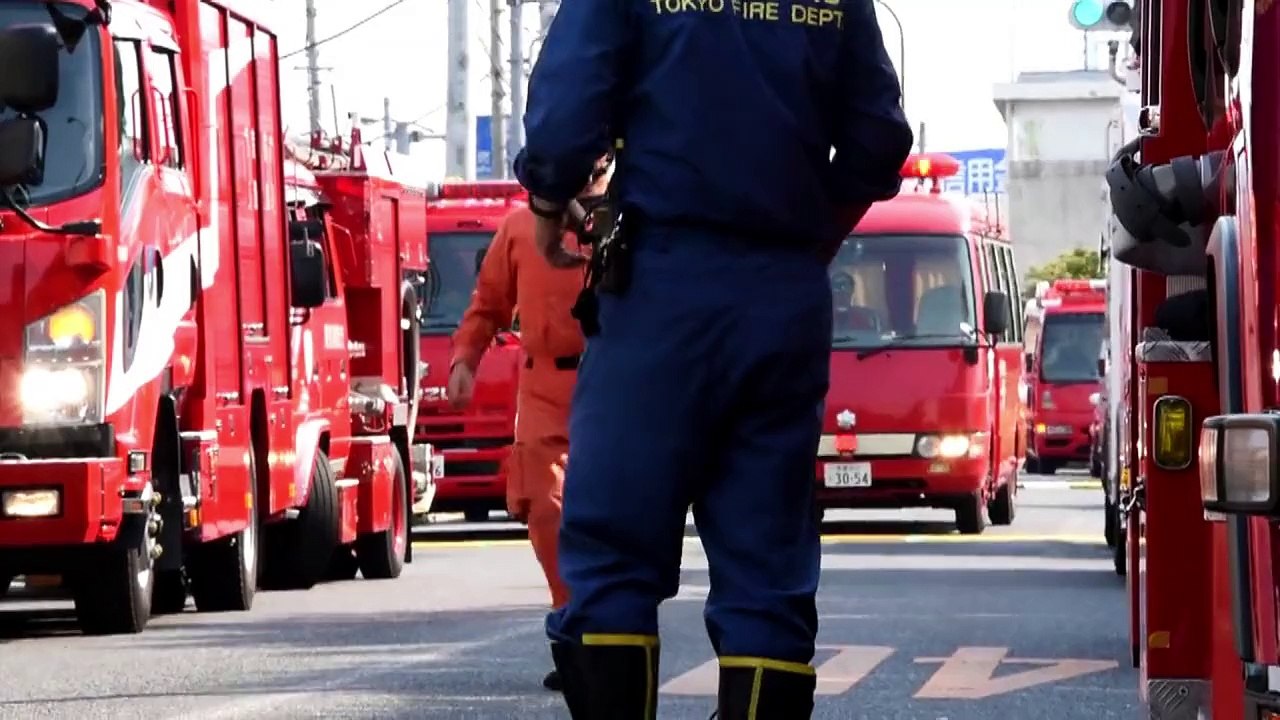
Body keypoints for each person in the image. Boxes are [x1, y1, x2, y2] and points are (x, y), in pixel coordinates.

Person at [512, 0, 914, 714]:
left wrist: (550, 200)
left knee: (612, 557)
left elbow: (568, 110)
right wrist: (805, 235)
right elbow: (879, 140)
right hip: (782, 299)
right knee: (766, 575)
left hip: (660, 289)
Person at [446, 158, 612, 691]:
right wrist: (464, 360)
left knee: (616, 517)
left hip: (616, 385)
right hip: (544, 388)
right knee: (547, 510)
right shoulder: (519, 229)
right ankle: (574, 629)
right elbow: (489, 303)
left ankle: (610, 636)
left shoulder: (632, 217)